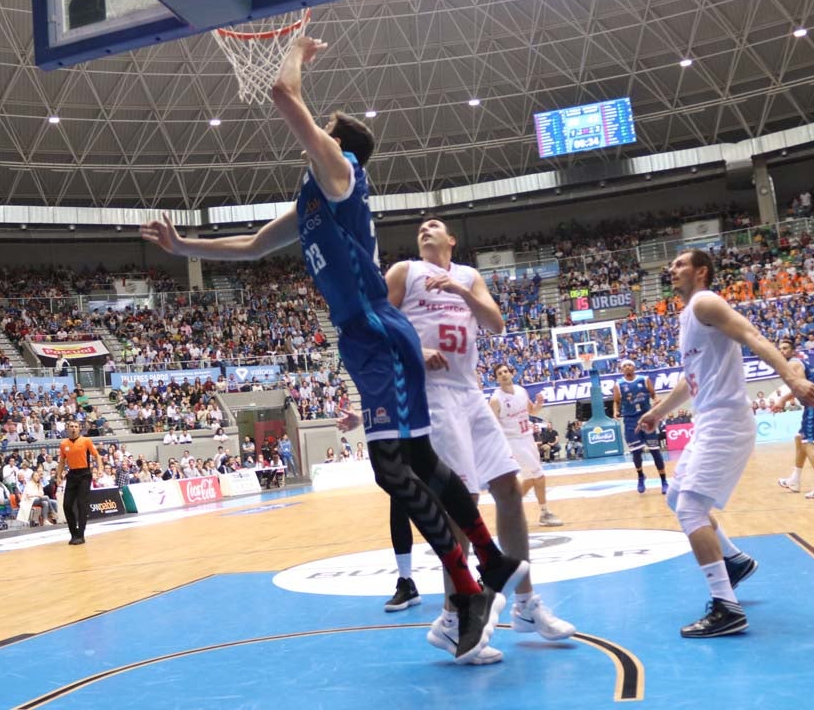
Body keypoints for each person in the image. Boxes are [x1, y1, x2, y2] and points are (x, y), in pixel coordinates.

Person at [140, 36, 524, 664]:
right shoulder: (313, 199)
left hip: (376, 329)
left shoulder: (341, 174)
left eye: (323, 128)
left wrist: (290, 49)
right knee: (419, 463)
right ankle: (490, 560)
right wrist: (184, 248)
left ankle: (466, 584)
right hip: (362, 336)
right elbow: (252, 247)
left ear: (339, 144)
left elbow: (282, 91)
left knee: (394, 470)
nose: (312, 130)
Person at [377, 216, 574, 663]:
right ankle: (454, 618)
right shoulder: (404, 272)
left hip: (469, 390)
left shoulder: (468, 276)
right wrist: (414, 348)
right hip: (431, 395)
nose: (426, 228)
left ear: (451, 240)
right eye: (420, 227)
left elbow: (497, 324)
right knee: (460, 501)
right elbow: (379, 322)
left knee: (509, 487)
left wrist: (461, 291)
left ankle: (525, 604)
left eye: (436, 225)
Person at [638, 250, 814, 637]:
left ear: (701, 271)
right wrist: (659, 412)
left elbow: (752, 335)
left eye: (680, 264)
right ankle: (735, 561)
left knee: (691, 510)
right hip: (708, 419)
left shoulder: (707, 301)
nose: (672, 269)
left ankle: (726, 607)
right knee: (677, 497)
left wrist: (793, 381)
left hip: (725, 421)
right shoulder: (687, 314)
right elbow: (689, 379)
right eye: (672, 265)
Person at [489, 363, 562, 526]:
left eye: (506, 371)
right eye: (500, 373)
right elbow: (491, 425)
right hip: (513, 441)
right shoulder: (495, 400)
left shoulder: (521, 391)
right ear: (497, 379)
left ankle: (508, 509)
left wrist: (539, 404)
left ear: (511, 373)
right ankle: (544, 513)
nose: (504, 375)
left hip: (527, 438)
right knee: (539, 475)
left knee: (529, 479)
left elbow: (532, 412)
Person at [772, 339, 814, 498]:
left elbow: (800, 384)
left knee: (808, 444)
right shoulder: (799, 362)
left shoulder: (793, 364)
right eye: (780, 348)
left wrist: (781, 400)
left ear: (793, 350)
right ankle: (795, 479)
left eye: (786, 348)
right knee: (799, 438)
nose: (782, 351)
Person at [612, 359, 668, 494]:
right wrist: (615, 411)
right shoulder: (618, 384)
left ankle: (664, 481)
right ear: (621, 369)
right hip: (630, 420)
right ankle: (641, 476)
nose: (627, 367)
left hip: (647, 417)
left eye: (629, 365)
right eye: (624, 366)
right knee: (636, 452)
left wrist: (656, 400)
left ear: (634, 367)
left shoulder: (644, 379)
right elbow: (616, 401)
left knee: (655, 450)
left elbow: (653, 394)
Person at [56, 420, 102, 544]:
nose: (73, 428)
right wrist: (58, 476)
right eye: (71, 426)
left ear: (79, 429)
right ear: (67, 428)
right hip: (72, 475)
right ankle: (73, 533)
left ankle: (81, 535)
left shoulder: (86, 441)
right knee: (66, 505)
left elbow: (96, 455)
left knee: (82, 505)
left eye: (76, 426)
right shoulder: (63, 444)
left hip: (84, 475)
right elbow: (61, 462)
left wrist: (100, 469)